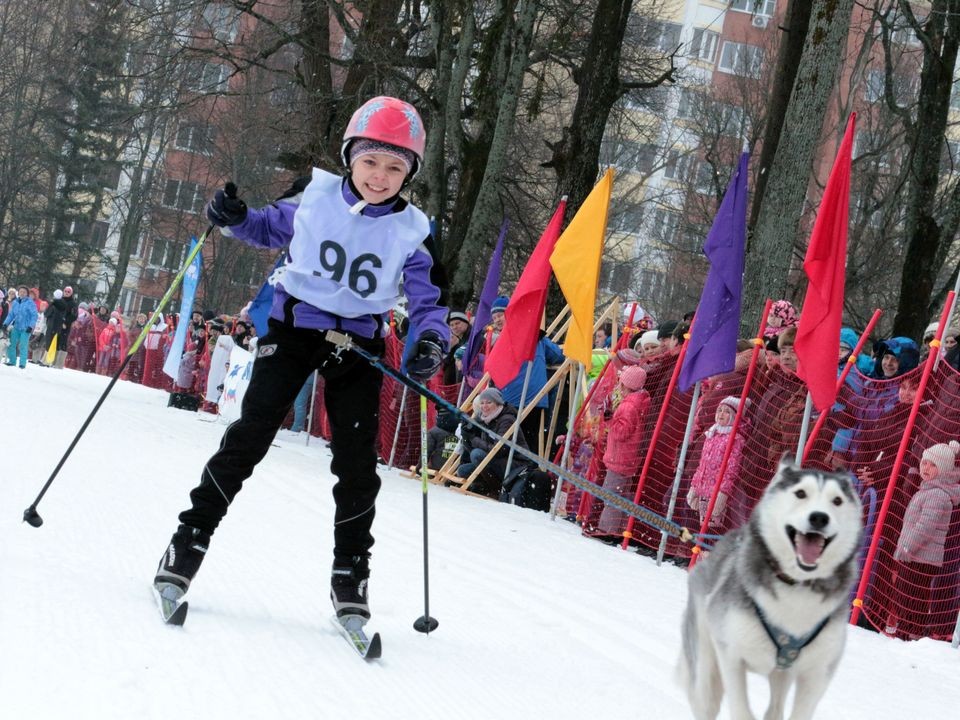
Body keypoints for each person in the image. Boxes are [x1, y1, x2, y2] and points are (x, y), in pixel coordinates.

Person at [153, 96, 449, 628]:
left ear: (410, 173)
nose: (380, 177)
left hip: (356, 345)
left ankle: (350, 577)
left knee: (358, 465)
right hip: (294, 330)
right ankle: (186, 544)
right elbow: (266, 229)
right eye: (370, 162)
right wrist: (234, 218)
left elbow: (430, 302)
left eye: (395, 167)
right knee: (250, 434)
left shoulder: (415, 230)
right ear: (350, 157)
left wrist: (430, 341)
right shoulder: (314, 197)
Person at [886, 441, 960, 639]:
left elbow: (924, 528)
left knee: (912, 597)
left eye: (933, 465)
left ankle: (911, 633)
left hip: (921, 557)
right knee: (905, 595)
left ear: (944, 470)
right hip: (915, 555)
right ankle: (906, 630)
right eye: (925, 463)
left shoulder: (937, 494)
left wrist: (907, 547)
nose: (926, 468)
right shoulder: (927, 490)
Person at [592, 366, 650, 538]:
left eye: (621, 384)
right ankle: (619, 530)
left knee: (611, 495)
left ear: (626, 386)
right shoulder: (640, 402)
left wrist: (610, 417)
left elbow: (622, 432)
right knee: (622, 495)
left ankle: (607, 531)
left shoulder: (628, 406)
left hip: (620, 457)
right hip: (629, 458)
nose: (618, 387)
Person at [686, 396, 748, 529]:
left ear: (734, 416)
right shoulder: (711, 434)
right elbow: (702, 464)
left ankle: (711, 549)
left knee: (715, 527)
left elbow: (732, 468)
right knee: (702, 526)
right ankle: (699, 549)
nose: (721, 414)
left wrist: (723, 492)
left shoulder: (736, 438)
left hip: (718, 491)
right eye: (719, 410)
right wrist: (695, 485)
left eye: (726, 412)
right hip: (704, 489)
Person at [456, 388, 528, 498]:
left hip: (514, 462)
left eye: (489, 402)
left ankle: (497, 489)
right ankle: (485, 486)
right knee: (463, 470)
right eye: (482, 403)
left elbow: (498, 450)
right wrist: (467, 437)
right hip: (496, 460)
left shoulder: (506, 420)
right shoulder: (484, 419)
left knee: (477, 454)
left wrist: (474, 439)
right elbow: (474, 452)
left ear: (498, 403)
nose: (485, 406)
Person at [3, 286, 37, 369]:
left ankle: (22, 364)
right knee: (11, 344)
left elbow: (34, 316)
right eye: (21, 291)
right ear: (18, 293)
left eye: (24, 292)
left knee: (23, 345)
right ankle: (12, 361)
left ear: (27, 294)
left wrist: (30, 326)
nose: (22, 293)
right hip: (16, 326)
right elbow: (11, 315)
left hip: (26, 328)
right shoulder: (16, 302)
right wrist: (5, 323)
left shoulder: (30, 303)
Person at [442, 310, 471, 385]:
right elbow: (445, 364)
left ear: (466, 322)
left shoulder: (472, 337)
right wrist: (450, 348)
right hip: (455, 386)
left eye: (457, 323)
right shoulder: (456, 340)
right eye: (451, 325)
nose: (454, 327)